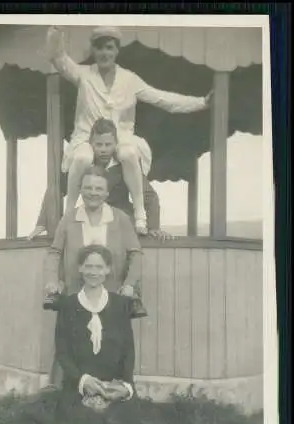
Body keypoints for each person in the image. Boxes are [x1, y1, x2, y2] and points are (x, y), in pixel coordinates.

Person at [45, 25, 212, 235]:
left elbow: (163, 99)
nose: (104, 53)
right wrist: (57, 28)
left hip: (120, 139)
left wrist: (202, 102)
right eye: (99, 48)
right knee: (81, 159)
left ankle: (140, 215)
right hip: (87, 139)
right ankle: (69, 214)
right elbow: (58, 58)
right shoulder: (84, 74)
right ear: (93, 51)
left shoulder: (129, 79)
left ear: (116, 50)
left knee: (129, 153)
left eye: (109, 48)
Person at [52, 244, 145, 424]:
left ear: (108, 270)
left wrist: (125, 386)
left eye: (99, 267)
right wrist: (83, 381)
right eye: (89, 266)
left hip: (113, 384)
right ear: (80, 269)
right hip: (79, 384)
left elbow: (128, 350)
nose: (94, 272)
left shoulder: (120, 304)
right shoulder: (67, 305)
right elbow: (62, 352)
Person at [28, 118, 172, 242]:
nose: (103, 150)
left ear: (115, 144)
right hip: (92, 219)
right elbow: (56, 188)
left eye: (108, 145)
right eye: (99, 145)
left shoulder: (125, 165)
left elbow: (149, 196)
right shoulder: (84, 165)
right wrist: (42, 223)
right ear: (91, 144)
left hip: (120, 219)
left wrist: (154, 227)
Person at [44, 165, 142, 299]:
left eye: (99, 189)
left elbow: (136, 254)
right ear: (80, 190)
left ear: (107, 193)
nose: (93, 193)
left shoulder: (120, 218)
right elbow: (55, 252)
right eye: (88, 188)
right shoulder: (69, 219)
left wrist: (130, 284)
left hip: (114, 295)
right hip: (75, 295)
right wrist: (52, 281)